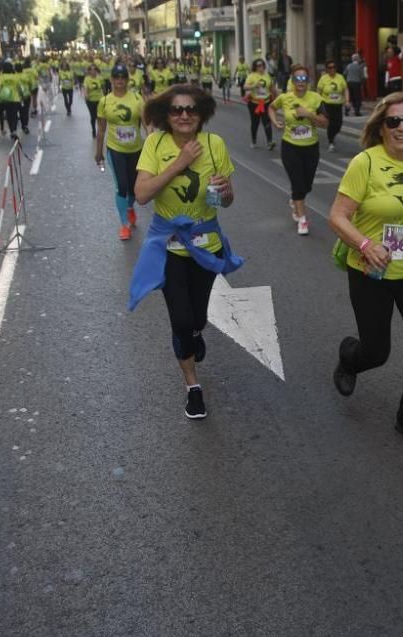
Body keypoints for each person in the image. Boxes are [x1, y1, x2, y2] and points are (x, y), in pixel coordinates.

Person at [327, 92, 403, 448]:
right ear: (381, 127)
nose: (402, 128)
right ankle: (350, 358)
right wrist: (366, 245)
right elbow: (337, 216)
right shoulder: (365, 163)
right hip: (369, 271)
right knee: (377, 352)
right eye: (394, 121)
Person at [129, 84, 243, 420]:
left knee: (197, 318)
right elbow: (142, 194)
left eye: (191, 109)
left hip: (206, 245)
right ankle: (193, 387)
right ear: (166, 115)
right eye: (177, 110)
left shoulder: (214, 144)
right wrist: (179, 163)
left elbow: (228, 199)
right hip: (169, 246)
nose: (184, 115)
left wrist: (225, 191)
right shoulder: (155, 143)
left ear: (201, 113)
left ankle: (195, 333)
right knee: (180, 319)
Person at [270, 65, 327, 236]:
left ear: (308, 81)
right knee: (297, 183)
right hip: (290, 146)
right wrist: (275, 121)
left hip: (311, 147)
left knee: (307, 184)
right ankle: (302, 219)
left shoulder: (316, 99)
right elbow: (271, 107)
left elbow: (325, 123)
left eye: (304, 78)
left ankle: (295, 201)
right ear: (292, 81)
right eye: (297, 78)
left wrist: (309, 114)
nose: (301, 82)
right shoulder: (285, 98)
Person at [95, 63, 145, 241]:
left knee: (133, 189)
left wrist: (153, 147)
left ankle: (130, 207)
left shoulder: (137, 99)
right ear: (112, 79)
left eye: (123, 77)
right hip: (115, 149)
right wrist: (98, 152)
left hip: (136, 149)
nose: (120, 80)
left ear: (127, 79)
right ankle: (124, 225)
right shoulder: (105, 101)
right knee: (121, 187)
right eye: (116, 77)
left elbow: (146, 124)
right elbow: (101, 129)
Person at [243, 59, 277, 150]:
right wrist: (254, 86)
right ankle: (253, 141)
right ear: (255, 67)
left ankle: (270, 142)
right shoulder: (251, 76)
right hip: (254, 103)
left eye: (262, 65)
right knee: (255, 123)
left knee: (267, 121)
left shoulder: (267, 76)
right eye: (258, 65)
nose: (260, 67)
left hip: (265, 102)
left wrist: (277, 99)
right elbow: (245, 87)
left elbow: (272, 88)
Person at [317, 60, 348, 152]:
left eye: (334, 67)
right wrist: (318, 104)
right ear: (327, 69)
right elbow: (319, 91)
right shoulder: (323, 79)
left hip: (338, 104)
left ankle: (333, 136)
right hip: (327, 104)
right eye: (330, 67)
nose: (332, 69)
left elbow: (345, 89)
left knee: (338, 123)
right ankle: (331, 142)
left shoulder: (340, 77)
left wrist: (347, 101)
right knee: (330, 123)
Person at [84, 63, 105, 138]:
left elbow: (103, 87)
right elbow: (86, 88)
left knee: (99, 116)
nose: (93, 71)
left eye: (94, 70)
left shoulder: (100, 78)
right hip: (90, 100)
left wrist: (105, 96)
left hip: (99, 100)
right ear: (89, 71)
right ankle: (93, 129)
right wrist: (86, 94)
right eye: (91, 70)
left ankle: (100, 130)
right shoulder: (87, 79)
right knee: (93, 117)